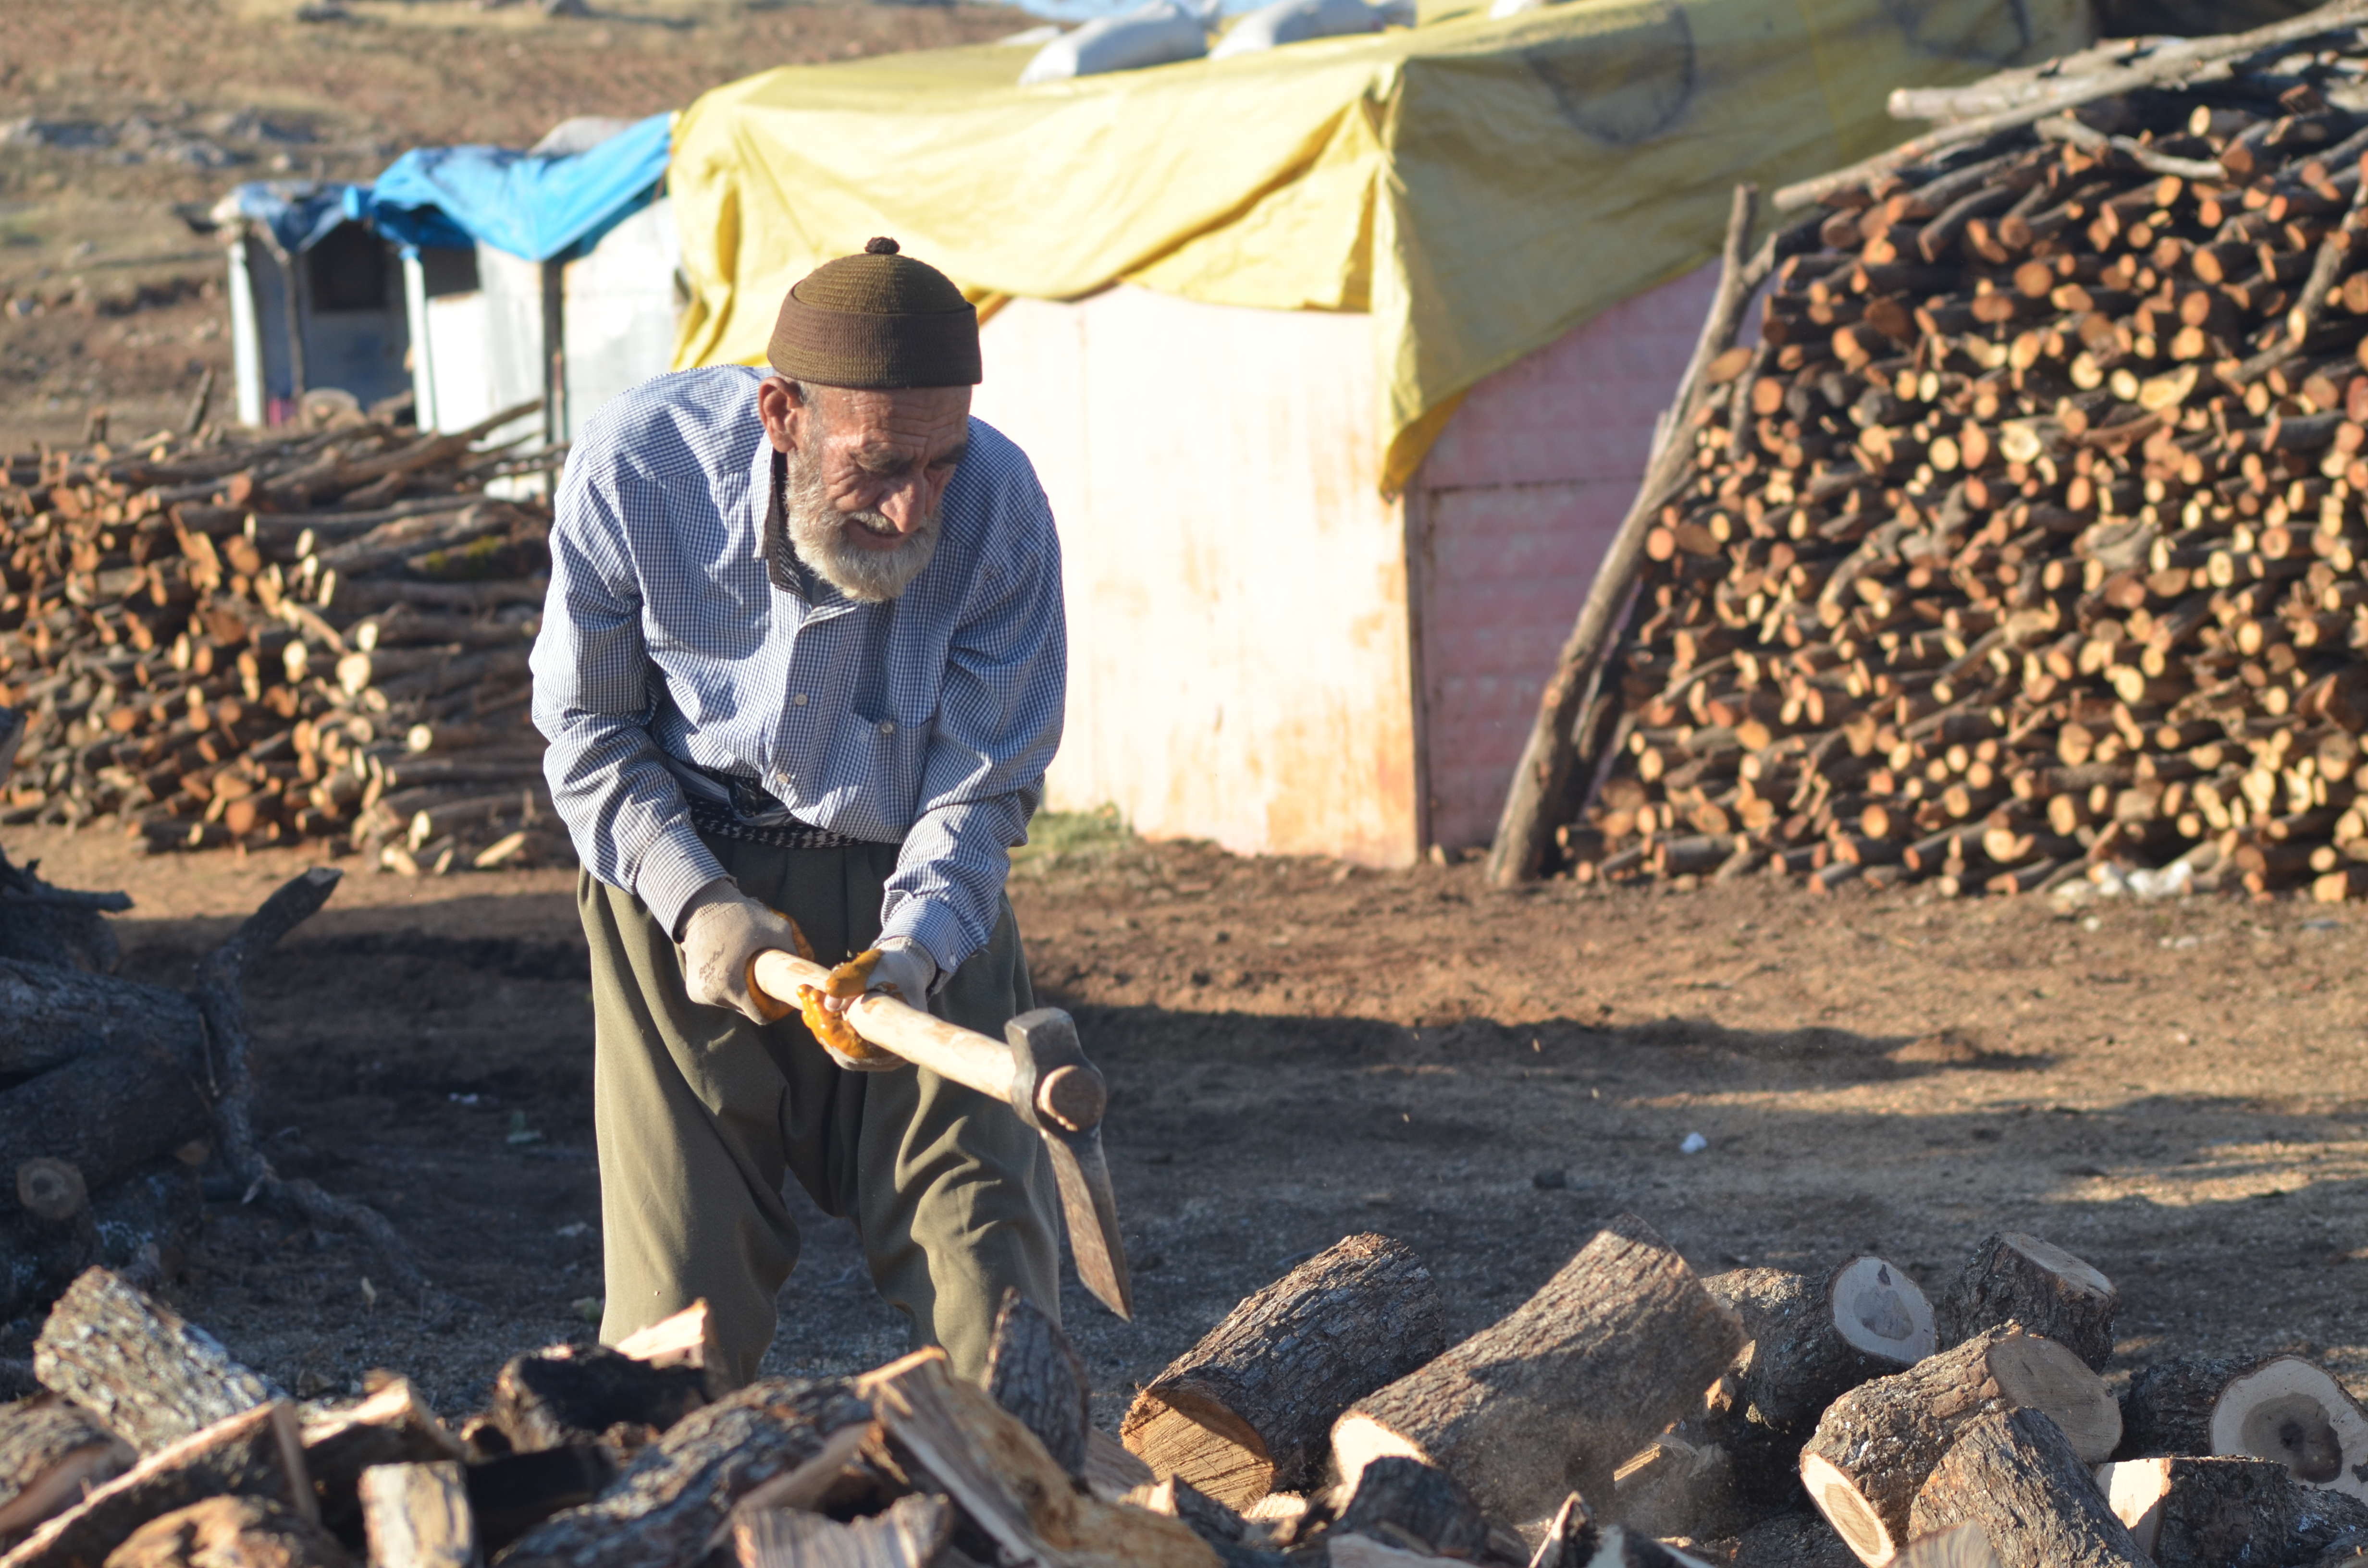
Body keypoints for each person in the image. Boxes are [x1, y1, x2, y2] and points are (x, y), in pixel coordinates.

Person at [530, 237, 1066, 1386]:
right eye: (877, 465)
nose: (912, 503)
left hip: (911, 891)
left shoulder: (1001, 511)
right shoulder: (640, 471)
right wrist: (696, 905)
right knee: (677, 1308)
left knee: (991, 1286)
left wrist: (918, 954)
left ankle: (1025, 1510)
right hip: (682, 875)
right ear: (781, 413)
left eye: (940, 462)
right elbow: (588, 732)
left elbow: (981, 784)